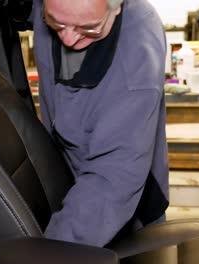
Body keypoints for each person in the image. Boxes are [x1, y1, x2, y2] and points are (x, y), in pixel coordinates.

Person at [31, 0, 170, 247]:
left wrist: (50, 253)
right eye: (55, 23)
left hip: (119, 205)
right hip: (72, 178)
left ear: (116, 7)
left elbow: (114, 175)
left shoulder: (135, 59)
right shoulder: (62, 12)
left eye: (88, 29)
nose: (69, 39)